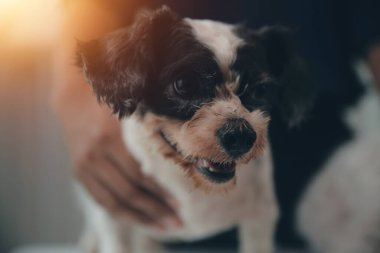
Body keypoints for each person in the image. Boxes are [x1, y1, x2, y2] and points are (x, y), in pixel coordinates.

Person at [53, 0, 380, 249]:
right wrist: (85, 109)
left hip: (322, 189)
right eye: (185, 85)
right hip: (142, 196)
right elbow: (85, 17)